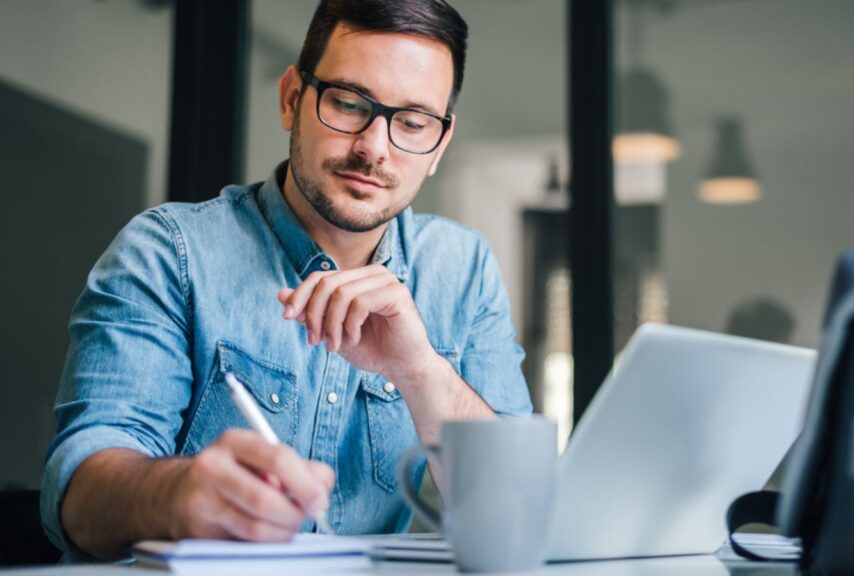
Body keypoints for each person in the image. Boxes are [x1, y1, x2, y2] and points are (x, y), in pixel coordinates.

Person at [40, 0, 532, 561]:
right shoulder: (167, 252)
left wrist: (421, 371)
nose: (374, 147)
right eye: (348, 104)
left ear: (439, 146)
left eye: (412, 124)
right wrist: (178, 495)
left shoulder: (462, 269)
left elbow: (519, 508)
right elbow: (77, 492)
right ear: (292, 99)